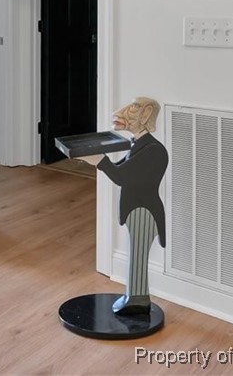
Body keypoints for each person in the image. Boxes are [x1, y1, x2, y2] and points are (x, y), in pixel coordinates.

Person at [92, 97, 167, 315]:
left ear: (146, 113)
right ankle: (135, 297)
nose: (122, 111)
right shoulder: (141, 145)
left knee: (137, 257)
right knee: (136, 255)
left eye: (134, 107)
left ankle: (137, 300)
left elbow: (122, 176)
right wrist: (99, 161)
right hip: (137, 210)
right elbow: (122, 168)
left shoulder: (154, 150)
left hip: (144, 211)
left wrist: (99, 161)